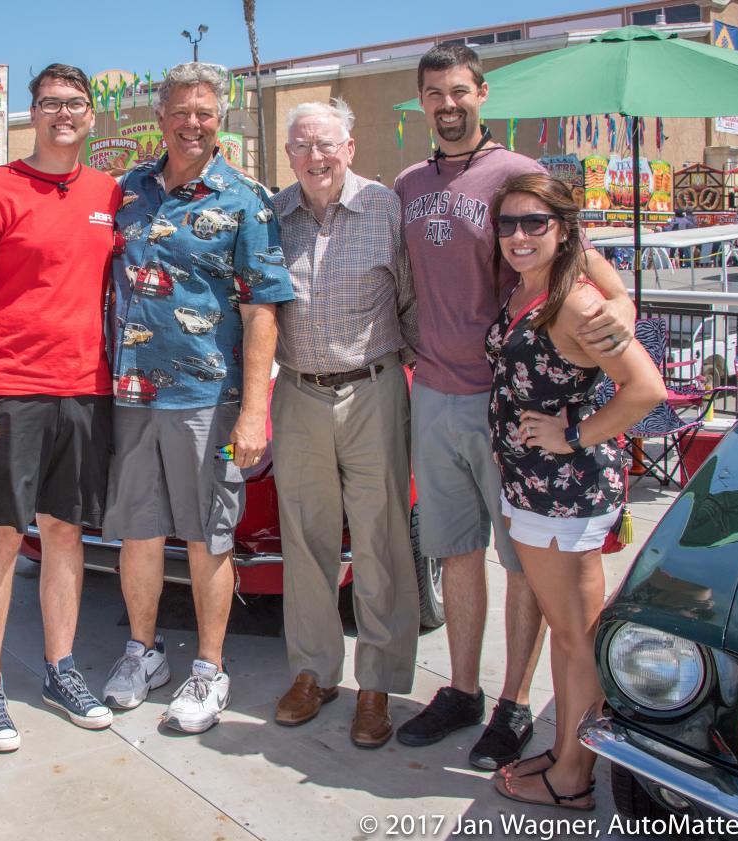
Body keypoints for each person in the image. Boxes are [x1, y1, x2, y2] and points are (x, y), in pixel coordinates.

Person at [393, 43, 637, 771]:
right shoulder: (407, 184)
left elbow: (594, 271)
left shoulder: (519, 182)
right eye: (434, 93)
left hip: (506, 404)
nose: (448, 104)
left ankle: (514, 704)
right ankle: (463, 690)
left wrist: (620, 313)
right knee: (456, 550)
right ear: (424, 101)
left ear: (482, 93)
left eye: (459, 90)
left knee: (523, 564)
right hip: (432, 395)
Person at [99, 62, 294, 734]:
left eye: (205, 112)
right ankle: (142, 652)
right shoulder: (128, 192)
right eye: (181, 110)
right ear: (161, 116)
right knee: (140, 530)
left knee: (210, 535)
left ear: (221, 119)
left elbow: (264, 308)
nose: (192, 122)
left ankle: (209, 669)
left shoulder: (245, 198)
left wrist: (253, 411)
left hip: (206, 397)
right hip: (130, 395)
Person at [0, 63, 120, 749]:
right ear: (32, 113)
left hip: (84, 388)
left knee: (64, 533)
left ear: (89, 113)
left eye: (74, 103)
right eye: (50, 103)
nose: (63, 114)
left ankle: (60, 667)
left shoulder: (111, 192)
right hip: (9, 390)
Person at [486, 173, 664, 809]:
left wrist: (575, 434)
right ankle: (565, 754)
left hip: (567, 492)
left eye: (536, 223)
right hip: (533, 489)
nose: (519, 235)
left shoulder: (576, 303)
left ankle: (573, 778)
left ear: (563, 230)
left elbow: (645, 391)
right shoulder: (532, 290)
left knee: (577, 635)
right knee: (568, 632)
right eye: (508, 224)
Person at [269, 98, 419, 748]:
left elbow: (412, 301)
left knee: (383, 537)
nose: (316, 156)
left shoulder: (386, 208)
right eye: (302, 145)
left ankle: (378, 684)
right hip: (297, 392)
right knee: (305, 540)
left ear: (350, 148)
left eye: (327, 144)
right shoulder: (275, 215)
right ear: (289, 156)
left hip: (372, 390)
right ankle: (313, 672)